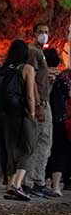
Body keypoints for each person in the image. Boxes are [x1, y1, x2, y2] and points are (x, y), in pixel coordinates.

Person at [0, 39, 38, 201]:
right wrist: (32, 112)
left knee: (11, 149)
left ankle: (10, 183)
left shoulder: (4, 69)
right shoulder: (27, 68)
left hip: (6, 114)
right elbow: (30, 95)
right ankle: (17, 184)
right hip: (21, 112)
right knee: (28, 148)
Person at [23, 23, 55, 198]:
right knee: (42, 141)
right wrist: (38, 104)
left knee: (41, 141)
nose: (44, 35)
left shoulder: (40, 52)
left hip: (42, 100)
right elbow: (32, 80)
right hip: (40, 102)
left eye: (46, 32)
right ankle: (36, 180)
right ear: (34, 33)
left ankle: (32, 180)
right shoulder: (33, 52)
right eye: (41, 32)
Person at [47, 48, 69, 196]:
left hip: (43, 116)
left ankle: (41, 181)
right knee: (59, 151)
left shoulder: (40, 76)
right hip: (61, 118)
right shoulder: (64, 79)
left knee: (44, 150)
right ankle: (56, 186)